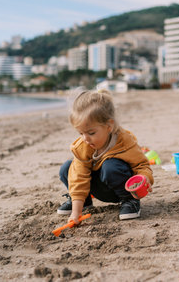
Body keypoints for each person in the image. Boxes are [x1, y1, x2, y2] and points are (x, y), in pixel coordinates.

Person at [57, 88, 154, 222]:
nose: (85, 138)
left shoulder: (124, 141)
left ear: (109, 126)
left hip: (121, 187)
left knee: (110, 166)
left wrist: (144, 177)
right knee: (68, 168)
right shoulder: (83, 146)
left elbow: (141, 164)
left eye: (91, 133)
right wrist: (76, 212)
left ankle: (129, 201)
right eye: (81, 133)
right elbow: (79, 178)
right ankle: (84, 202)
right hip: (97, 188)